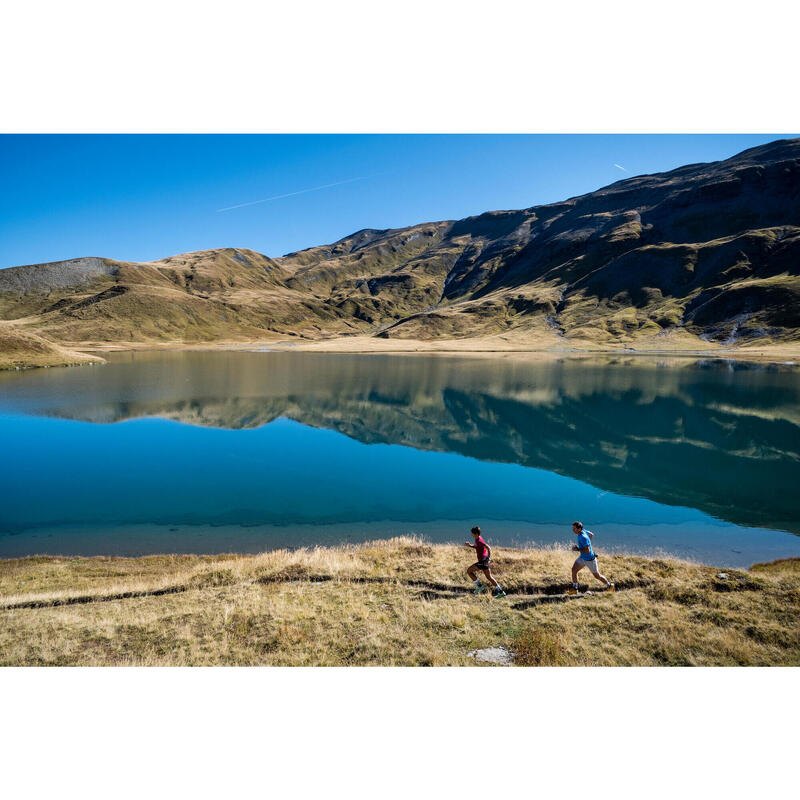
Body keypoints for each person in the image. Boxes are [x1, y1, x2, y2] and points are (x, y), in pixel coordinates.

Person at [568, 521, 614, 594]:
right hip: (582, 558)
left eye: (574, 528)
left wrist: (578, 549)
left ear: (579, 529)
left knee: (597, 576)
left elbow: (588, 550)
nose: (573, 530)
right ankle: (575, 588)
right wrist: (588, 542)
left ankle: (609, 585)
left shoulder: (583, 537)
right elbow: (591, 534)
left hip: (590, 560)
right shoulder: (583, 531)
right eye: (572, 528)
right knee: (574, 570)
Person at [465, 525, 506, 598]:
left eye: (472, 534)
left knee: (469, 571)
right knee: (489, 577)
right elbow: (476, 546)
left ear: (476, 534)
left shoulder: (479, 540)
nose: (471, 535)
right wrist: (470, 545)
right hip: (484, 562)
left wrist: (488, 559)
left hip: (482, 562)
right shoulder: (478, 538)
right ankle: (501, 592)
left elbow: (488, 548)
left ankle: (479, 586)